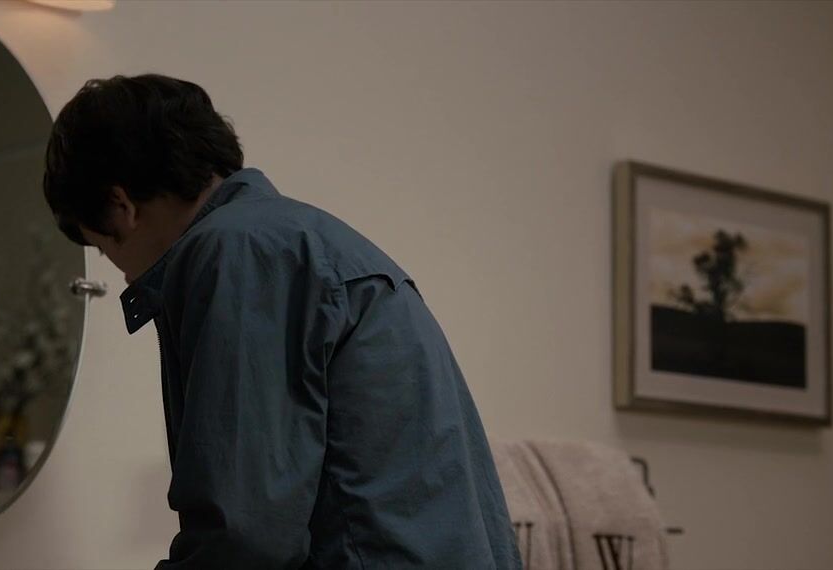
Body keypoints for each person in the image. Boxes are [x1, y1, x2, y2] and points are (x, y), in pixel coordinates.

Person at [43, 74, 520, 569]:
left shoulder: (237, 252)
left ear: (121, 206)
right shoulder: (306, 239)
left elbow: (246, 535)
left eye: (103, 248)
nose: (122, 271)